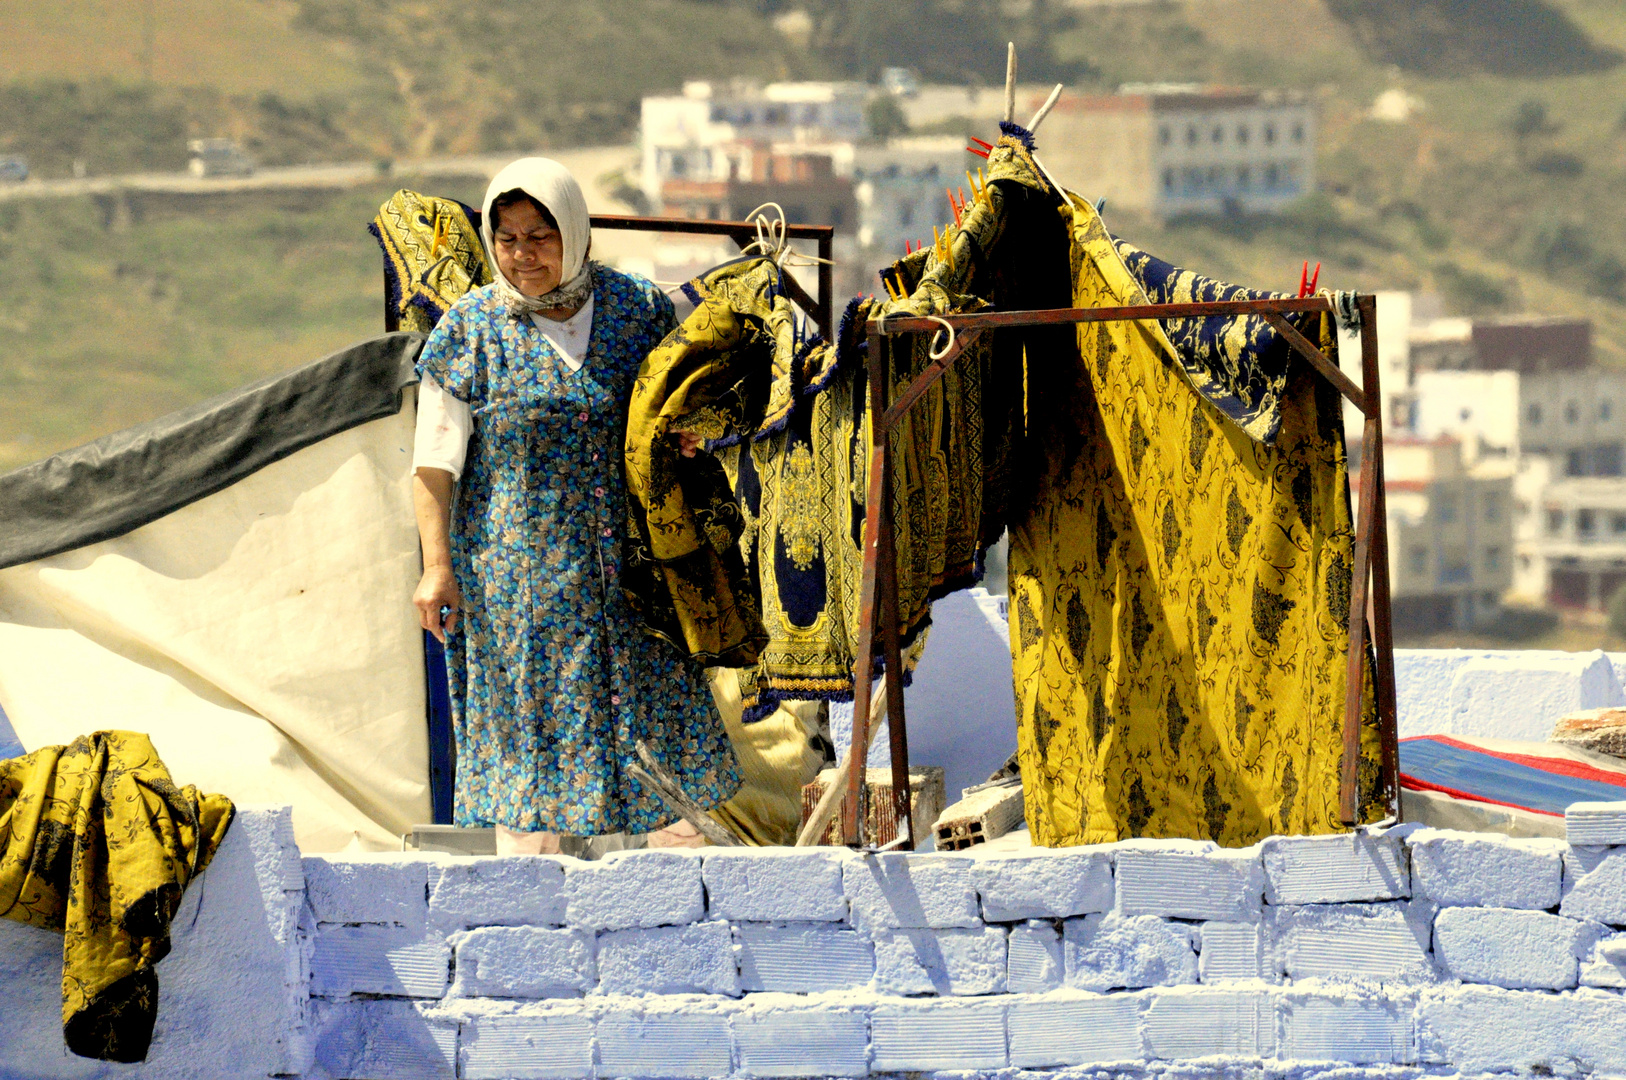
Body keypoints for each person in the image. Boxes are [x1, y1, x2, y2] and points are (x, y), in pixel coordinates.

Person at [410, 157, 738, 854]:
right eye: (507, 238)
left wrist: (688, 436)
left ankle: (675, 910)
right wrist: (437, 569)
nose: (523, 255)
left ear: (575, 231)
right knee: (538, 748)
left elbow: (677, 406)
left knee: (653, 734)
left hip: (634, 575)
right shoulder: (470, 331)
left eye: (541, 235)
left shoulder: (636, 310)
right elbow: (434, 466)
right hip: (520, 586)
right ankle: (538, 916)